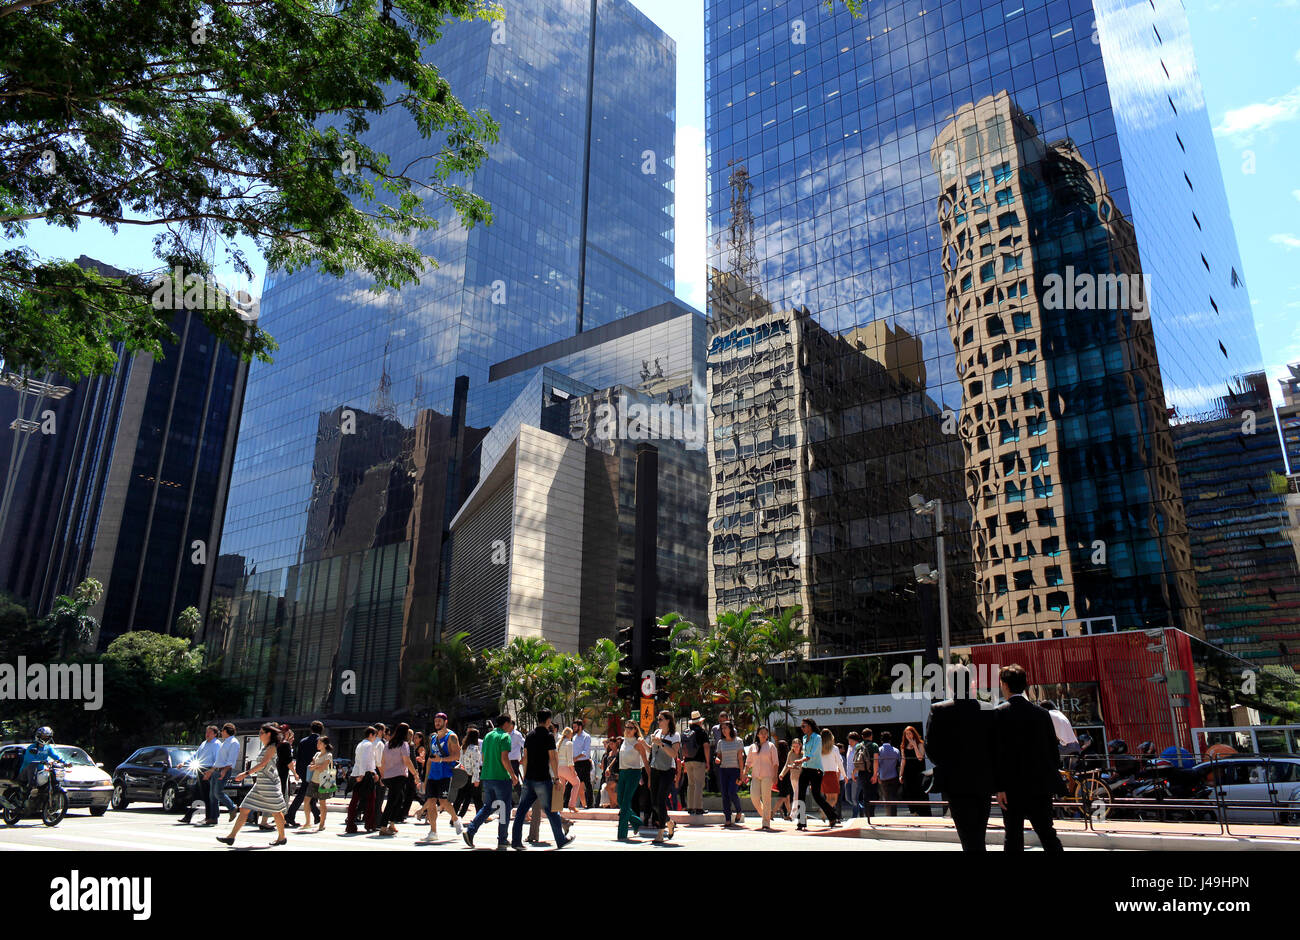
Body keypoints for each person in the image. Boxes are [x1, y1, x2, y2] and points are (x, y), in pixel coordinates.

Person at [993, 664, 1064, 853]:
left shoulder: (999, 713)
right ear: (1025, 685)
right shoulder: (1042, 713)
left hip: (1011, 788)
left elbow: (997, 754)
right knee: (1047, 834)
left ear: (1005, 685)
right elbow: (1053, 751)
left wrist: (999, 787)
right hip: (1040, 785)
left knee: (1013, 836)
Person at [926, 664, 995, 852]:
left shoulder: (939, 710)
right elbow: (996, 746)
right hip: (983, 780)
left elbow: (931, 749)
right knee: (979, 834)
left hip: (955, 782)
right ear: (970, 683)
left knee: (966, 836)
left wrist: (948, 763)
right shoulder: (988, 708)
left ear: (949, 685)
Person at [510, 709, 576, 850]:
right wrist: (556, 778)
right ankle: (560, 839)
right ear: (548, 720)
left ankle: (516, 841)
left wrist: (526, 775)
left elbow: (525, 757)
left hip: (529, 779)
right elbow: (552, 758)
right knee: (551, 811)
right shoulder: (548, 736)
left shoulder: (530, 735)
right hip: (542, 778)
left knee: (521, 811)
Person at [216, 723, 287, 847]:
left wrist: (245, 773)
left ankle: (282, 837)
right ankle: (231, 837)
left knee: (276, 811)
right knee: (244, 808)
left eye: (261, 733)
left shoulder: (272, 747)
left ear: (268, 734)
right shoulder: (265, 747)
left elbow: (263, 764)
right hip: (260, 784)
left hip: (270, 784)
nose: (259, 735)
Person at [462, 715, 520, 850]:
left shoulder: (488, 736)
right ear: (506, 723)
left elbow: (483, 756)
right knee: (504, 809)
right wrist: (513, 775)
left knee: (488, 806)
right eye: (510, 723)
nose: (511, 726)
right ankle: (503, 839)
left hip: (487, 776)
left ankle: (470, 831)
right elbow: (505, 758)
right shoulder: (505, 737)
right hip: (501, 778)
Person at [419, 713, 464, 841]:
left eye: (439, 721)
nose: (437, 723)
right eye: (435, 721)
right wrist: (425, 779)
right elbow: (430, 759)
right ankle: (433, 832)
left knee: (443, 801)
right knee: (431, 803)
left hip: (445, 774)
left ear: (445, 722)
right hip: (433, 775)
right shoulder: (433, 737)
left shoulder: (452, 737)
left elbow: (457, 756)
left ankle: (455, 819)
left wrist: (441, 759)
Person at [378, 723, 420, 836]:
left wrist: (383, 775)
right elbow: (407, 761)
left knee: (399, 798)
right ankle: (383, 827)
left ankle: (391, 824)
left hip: (388, 776)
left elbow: (382, 761)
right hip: (398, 776)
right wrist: (415, 774)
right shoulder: (404, 744)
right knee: (392, 801)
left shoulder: (388, 744)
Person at [797, 719, 838, 827]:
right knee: (800, 795)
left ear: (810, 726)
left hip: (816, 770)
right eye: (801, 726)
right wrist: (799, 763)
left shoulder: (818, 738)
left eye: (803, 726)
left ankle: (832, 816)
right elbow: (806, 753)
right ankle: (801, 821)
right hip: (805, 768)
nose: (802, 728)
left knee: (816, 795)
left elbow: (813, 754)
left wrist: (801, 760)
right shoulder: (805, 738)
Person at [648, 710, 680, 844]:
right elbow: (652, 750)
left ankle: (661, 833)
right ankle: (669, 822)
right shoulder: (656, 733)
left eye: (661, 719)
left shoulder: (675, 735)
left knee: (661, 799)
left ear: (668, 720)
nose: (658, 721)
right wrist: (644, 745)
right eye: (658, 719)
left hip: (668, 770)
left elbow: (673, 754)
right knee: (654, 803)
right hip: (655, 768)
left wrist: (661, 743)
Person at [615, 722, 649, 841]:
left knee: (625, 803)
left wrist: (649, 777)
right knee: (619, 800)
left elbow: (645, 760)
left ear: (635, 730)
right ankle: (637, 821)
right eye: (626, 727)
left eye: (630, 728)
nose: (628, 730)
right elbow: (619, 757)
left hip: (634, 773)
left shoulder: (637, 743)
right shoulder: (624, 741)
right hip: (623, 772)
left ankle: (622, 834)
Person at [180, 724, 221, 825]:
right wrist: (184, 763)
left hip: (209, 770)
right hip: (201, 769)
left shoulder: (216, 744)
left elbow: (218, 759)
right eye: (206, 732)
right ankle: (196, 816)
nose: (207, 734)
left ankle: (209, 817)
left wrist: (211, 771)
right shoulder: (204, 743)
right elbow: (196, 755)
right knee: (199, 793)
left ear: (215, 734)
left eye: (209, 732)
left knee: (205, 794)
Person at [286, 720, 323, 828]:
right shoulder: (321, 742)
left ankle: (316, 815)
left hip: (303, 770)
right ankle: (290, 815)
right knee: (304, 793)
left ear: (311, 729)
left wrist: (298, 772)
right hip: (316, 771)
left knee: (308, 792)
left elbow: (299, 757)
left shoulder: (303, 741)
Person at [344, 726, 380, 834]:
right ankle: (369, 825)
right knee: (371, 800)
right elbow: (366, 761)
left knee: (355, 800)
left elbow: (362, 761)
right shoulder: (369, 745)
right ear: (370, 735)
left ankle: (350, 825)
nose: (375, 738)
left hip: (357, 774)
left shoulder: (360, 744)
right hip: (364, 775)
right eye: (374, 735)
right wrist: (364, 774)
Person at [743, 726, 779, 830]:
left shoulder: (771, 746)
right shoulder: (752, 747)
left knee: (766, 798)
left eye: (765, 733)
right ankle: (766, 814)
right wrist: (745, 773)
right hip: (755, 776)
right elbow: (748, 762)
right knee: (754, 798)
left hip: (767, 775)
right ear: (758, 734)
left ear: (767, 735)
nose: (763, 734)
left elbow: (776, 763)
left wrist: (775, 776)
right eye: (761, 732)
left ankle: (766, 822)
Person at [714, 719, 746, 827]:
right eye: (722, 728)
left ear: (731, 729)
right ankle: (727, 818)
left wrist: (742, 774)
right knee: (724, 794)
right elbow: (719, 756)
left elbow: (740, 758)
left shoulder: (738, 741)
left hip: (735, 770)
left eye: (725, 728)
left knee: (732, 792)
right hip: (723, 770)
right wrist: (717, 759)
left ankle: (739, 810)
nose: (723, 730)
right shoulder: (720, 742)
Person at [680, 711, 710, 815]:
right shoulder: (702, 732)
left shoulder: (686, 732)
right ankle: (698, 807)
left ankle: (690, 807)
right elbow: (706, 746)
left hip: (688, 760)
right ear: (699, 722)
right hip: (699, 760)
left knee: (690, 784)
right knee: (699, 784)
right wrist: (708, 761)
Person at [302, 735, 333, 832]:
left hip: (324, 781)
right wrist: (316, 766)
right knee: (306, 800)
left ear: (325, 744)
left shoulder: (328, 755)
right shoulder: (316, 754)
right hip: (314, 780)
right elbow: (311, 767)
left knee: (322, 803)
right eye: (318, 743)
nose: (317, 744)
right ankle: (308, 822)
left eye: (319, 743)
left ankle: (322, 823)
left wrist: (315, 766)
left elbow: (323, 768)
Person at [899, 725, 931, 816]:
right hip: (908, 774)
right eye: (906, 734)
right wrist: (900, 774)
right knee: (910, 794)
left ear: (913, 734)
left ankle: (924, 814)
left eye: (910, 733)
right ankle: (914, 813)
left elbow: (920, 758)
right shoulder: (903, 746)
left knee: (920, 794)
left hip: (918, 774)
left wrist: (914, 746)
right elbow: (903, 760)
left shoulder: (920, 744)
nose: (908, 736)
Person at [453, 726, 483, 818]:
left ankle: (453, 818)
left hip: (464, 775)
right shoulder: (475, 748)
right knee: (477, 798)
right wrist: (476, 779)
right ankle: (480, 817)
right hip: (472, 776)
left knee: (459, 798)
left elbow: (461, 762)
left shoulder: (463, 747)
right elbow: (476, 765)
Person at [213, 722, 241, 822]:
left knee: (217, 792)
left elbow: (231, 760)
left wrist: (224, 771)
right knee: (213, 794)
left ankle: (232, 807)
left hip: (224, 770)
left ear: (225, 731)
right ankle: (213, 816)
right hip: (217, 770)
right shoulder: (224, 742)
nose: (221, 732)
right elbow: (220, 758)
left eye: (222, 731)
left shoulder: (233, 742)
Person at [1042, 699, 1081, 770]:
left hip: (1066, 747)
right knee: (1068, 774)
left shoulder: (1048, 714)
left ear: (1043, 709)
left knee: (1045, 760)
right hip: (1076, 746)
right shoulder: (1059, 713)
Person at [819, 729, 844, 826]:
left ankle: (830, 818)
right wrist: (844, 775)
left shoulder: (819, 749)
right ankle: (824, 810)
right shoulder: (834, 748)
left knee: (829, 798)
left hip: (822, 774)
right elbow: (839, 763)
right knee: (834, 799)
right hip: (832, 774)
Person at [555, 726, 584, 811]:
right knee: (576, 783)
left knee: (562, 787)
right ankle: (572, 805)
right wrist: (573, 771)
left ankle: (557, 806)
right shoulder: (569, 743)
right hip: (565, 767)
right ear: (570, 734)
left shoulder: (558, 743)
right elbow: (570, 760)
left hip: (558, 768)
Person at [875, 731, 901, 816]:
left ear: (881, 741)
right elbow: (899, 763)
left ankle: (888, 815)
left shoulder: (879, 750)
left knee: (886, 798)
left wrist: (877, 775)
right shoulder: (896, 751)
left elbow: (877, 764)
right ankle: (894, 815)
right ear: (890, 740)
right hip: (894, 776)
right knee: (893, 797)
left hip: (883, 777)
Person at [779, 736, 804, 826]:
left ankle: (792, 815)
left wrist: (795, 766)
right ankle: (800, 816)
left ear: (800, 746)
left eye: (797, 746)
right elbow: (787, 765)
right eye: (794, 746)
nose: (795, 748)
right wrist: (782, 773)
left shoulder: (803, 755)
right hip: (792, 778)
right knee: (797, 796)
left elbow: (804, 766)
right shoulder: (790, 754)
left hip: (801, 778)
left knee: (796, 796)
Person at [855, 728, 879, 818]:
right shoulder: (874, 745)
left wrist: (854, 773)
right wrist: (875, 774)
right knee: (872, 794)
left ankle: (867, 815)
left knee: (865, 794)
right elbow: (876, 761)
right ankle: (871, 815)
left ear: (862, 736)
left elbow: (856, 761)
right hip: (871, 772)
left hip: (861, 773)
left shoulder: (858, 746)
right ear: (871, 736)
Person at [570, 718, 594, 808]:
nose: (574, 728)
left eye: (575, 727)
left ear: (580, 727)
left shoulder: (586, 736)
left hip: (584, 763)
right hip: (576, 763)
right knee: (573, 783)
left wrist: (576, 758)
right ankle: (569, 803)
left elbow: (586, 751)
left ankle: (590, 804)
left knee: (587, 783)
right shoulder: (574, 737)